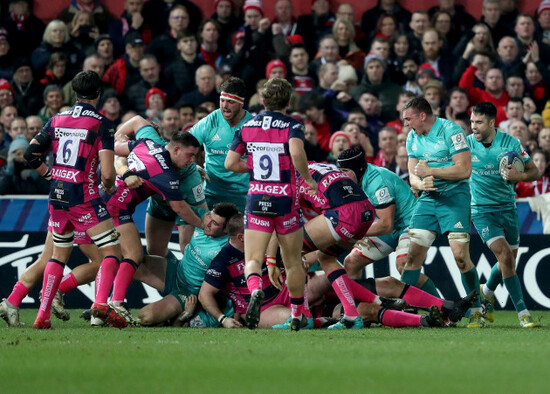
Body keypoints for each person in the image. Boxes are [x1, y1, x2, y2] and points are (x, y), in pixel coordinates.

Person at [22, 70, 125, 329]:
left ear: (75, 93)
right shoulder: (101, 124)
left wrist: (49, 175)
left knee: (58, 256)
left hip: (56, 196)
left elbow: (30, 154)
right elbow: (108, 172)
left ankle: (42, 316)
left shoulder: (57, 118)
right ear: (98, 94)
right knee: (112, 251)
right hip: (84, 197)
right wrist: (110, 187)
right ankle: (101, 304)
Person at [225, 78, 318, 331]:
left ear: (263, 101)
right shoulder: (293, 125)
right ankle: (297, 313)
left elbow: (230, 163)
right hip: (285, 201)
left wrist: (253, 166)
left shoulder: (246, 126)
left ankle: (255, 289)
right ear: (289, 101)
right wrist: (308, 179)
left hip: (257, 199)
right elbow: (297, 154)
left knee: (253, 260)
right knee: (292, 263)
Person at [98, 116, 205, 324]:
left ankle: (101, 308)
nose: (193, 160)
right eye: (190, 155)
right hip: (118, 206)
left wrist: (118, 143)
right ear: (175, 149)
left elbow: (117, 149)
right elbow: (180, 208)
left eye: (195, 157)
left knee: (109, 257)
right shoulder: (167, 176)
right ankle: (114, 304)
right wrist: (203, 224)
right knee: (133, 255)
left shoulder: (147, 143)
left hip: (105, 199)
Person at [400, 97, 484, 328]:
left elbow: (464, 170)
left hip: (455, 198)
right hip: (428, 199)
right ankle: (401, 307)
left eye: (408, 118)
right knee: (412, 257)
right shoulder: (412, 137)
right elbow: (413, 172)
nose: (405, 123)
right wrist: (418, 184)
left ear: (422, 116)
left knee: (460, 257)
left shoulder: (451, 131)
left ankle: (477, 310)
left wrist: (432, 171)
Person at [468, 102, 540, 327]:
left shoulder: (511, 143)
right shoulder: (467, 144)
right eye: (472, 122)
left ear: (491, 123)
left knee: (508, 261)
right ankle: (523, 314)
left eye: (479, 122)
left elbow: (535, 172)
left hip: (508, 209)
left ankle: (486, 290)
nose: (474, 127)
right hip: (481, 210)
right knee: (506, 257)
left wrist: (519, 175)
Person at [337, 147, 439, 297]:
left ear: (358, 169)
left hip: (410, 222)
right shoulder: (349, 182)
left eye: (345, 171)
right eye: (340, 171)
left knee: (404, 265)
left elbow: (386, 225)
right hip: (389, 226)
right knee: (351, 263)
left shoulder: (377, 182)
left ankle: (443, 310)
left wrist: (356, 233)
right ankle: (358, 308)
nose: (341, 175)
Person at [135, 203, 239, 327]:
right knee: (132, 264)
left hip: (188, 292)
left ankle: (175, 317)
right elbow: (177, 206)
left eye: (215, 223)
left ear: (227, 229)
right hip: (176, 270)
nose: (208, 223)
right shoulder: (202, 217)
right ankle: (112, 304)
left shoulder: (226, 250)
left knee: (145, 317)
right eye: (209, 217)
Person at [189, 77, 253, 212]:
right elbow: (184, 145)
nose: (224, 106)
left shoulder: (253, 125)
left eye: (230, 102)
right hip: (212, 195)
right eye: (222, 100)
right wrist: (193, 168)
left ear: (241, 103)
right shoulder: (210, 122)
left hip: (245, 196)